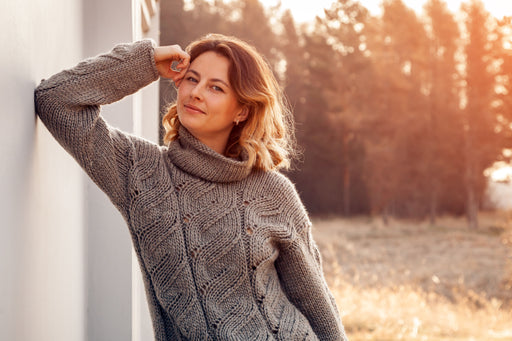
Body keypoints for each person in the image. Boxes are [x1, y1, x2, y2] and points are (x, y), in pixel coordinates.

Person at [35, 33, 348, 340]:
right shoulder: (139, 171)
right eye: (191, 79)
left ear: (242, 110)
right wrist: (145, 61)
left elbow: (315, 301)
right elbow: (55, 100)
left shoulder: (274, 193)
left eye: (216, 87)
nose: (197, 92)